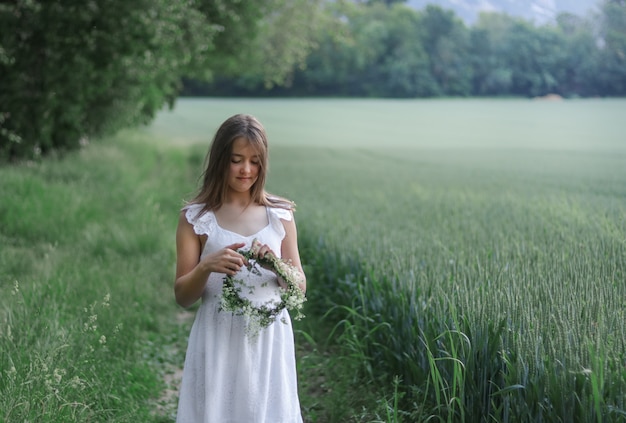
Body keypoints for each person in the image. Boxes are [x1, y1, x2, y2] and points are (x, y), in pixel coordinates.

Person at [173, 114, 306, 423]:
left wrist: (275, 264)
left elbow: (300, 287)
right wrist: (207, 266)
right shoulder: (196, 218)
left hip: (269, 337)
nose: (246, 170)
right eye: (236, 160)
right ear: (221, 159)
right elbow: (182, 296)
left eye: (255, 161)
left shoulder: (280, 214)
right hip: (218, 336)